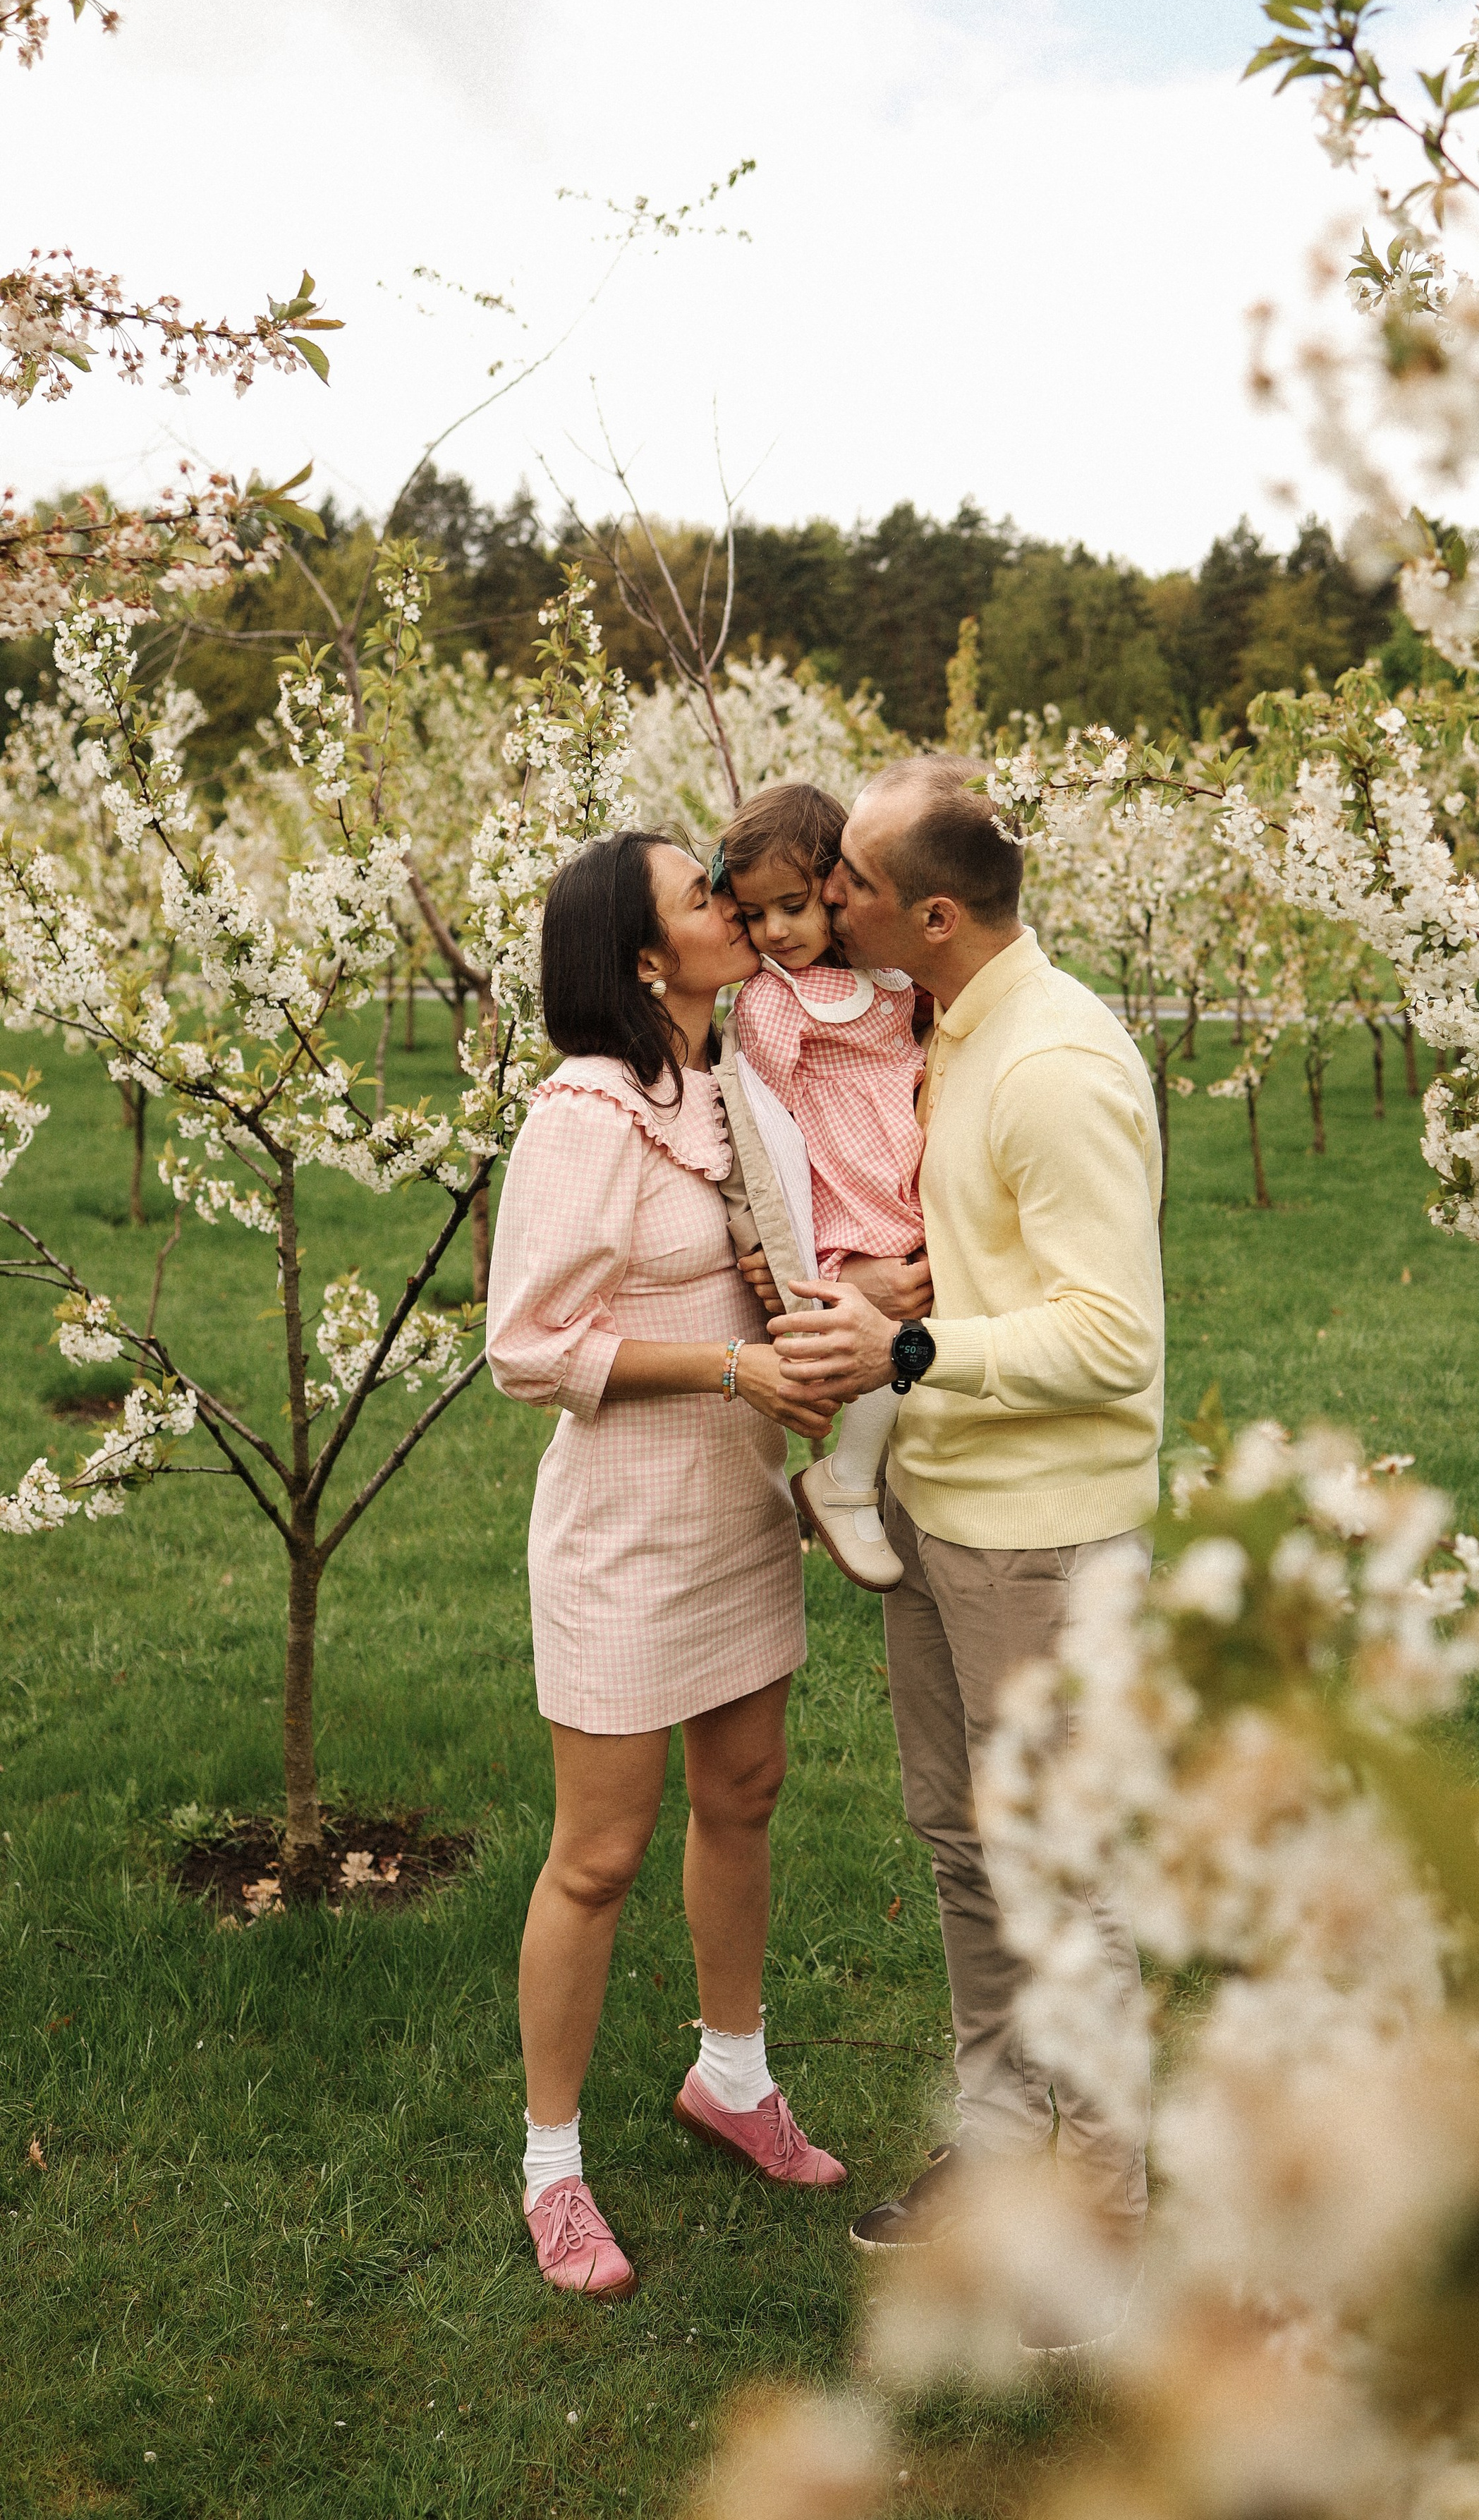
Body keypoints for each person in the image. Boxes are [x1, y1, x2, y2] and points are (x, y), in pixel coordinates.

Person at [769, 753, 1165, 2273]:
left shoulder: (1053, 1068)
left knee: (1060, 1877)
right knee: (960, 1846)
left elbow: (1112, 1338)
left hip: (1041, 1537)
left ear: (931, 914)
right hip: (940, 1511)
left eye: (852, 882)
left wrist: (908, 1349)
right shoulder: (944, 1026)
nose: (826, 893)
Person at [485, 829, 848, 2306]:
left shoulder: (714, 1086)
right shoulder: (583, 1118)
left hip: (738, 1512)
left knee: (743, 1796)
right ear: (644, 958)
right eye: (703, 899)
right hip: (625, 1539)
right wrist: (727, 1364)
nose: (737, 910)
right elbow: (523, 1349)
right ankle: (551, 2167)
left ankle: (731, 2077)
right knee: (600, 1853)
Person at [714, 779, 929, 1594]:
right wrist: (775, 1247)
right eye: (755, 914)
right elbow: (758, 1128)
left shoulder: (887, 971)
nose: (775, 931)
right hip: (852, 1192)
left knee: (922, 1315)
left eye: (794, 905)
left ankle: (862, 1475)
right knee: (898, 1320)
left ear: (835, 885)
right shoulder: (774, 1002)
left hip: (907, 1169)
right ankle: (847, 1476)